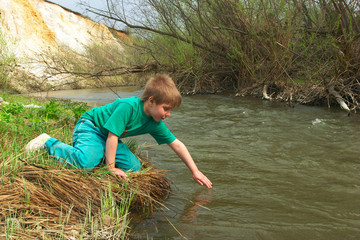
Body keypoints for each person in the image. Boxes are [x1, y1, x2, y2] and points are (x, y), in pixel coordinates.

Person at [25, 74, 212, 188]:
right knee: (84, 163)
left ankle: (99, 154)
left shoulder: (154, 122)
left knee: (135, 168)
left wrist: (195, 171)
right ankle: (48, 142)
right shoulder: (127, 106)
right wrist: (110, 167)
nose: (168, 114)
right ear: (151, 100)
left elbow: (177, 145)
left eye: (171, 110)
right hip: (90, 127)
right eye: (166, 108)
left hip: (107, 136)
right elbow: (113, 135)